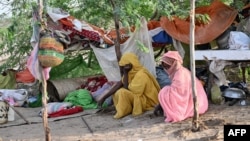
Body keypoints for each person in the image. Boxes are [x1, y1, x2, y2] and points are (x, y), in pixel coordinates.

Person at [97, 52, 161, 119]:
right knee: (116, 92)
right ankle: (125, 109)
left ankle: (122, 112)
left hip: (148, 101)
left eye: (123, 65)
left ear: (130, 64)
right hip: (140, 98)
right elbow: (119, 84)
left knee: (122, 92)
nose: (122, 68)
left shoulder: (141, 74)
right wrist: (104, 97)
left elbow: (127, 89)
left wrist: (125, 72)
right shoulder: (132, 73)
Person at [154, 51, 208, 122]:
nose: (165, 68)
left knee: (164, 91)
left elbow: (180, 95)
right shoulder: (179, 71)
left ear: (173, 63)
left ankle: (174, 111)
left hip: (196, 104)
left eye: (167, 65)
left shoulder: (180, 74)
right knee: (166, 90)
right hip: (198, 102)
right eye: (164, 65)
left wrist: (163, 99)